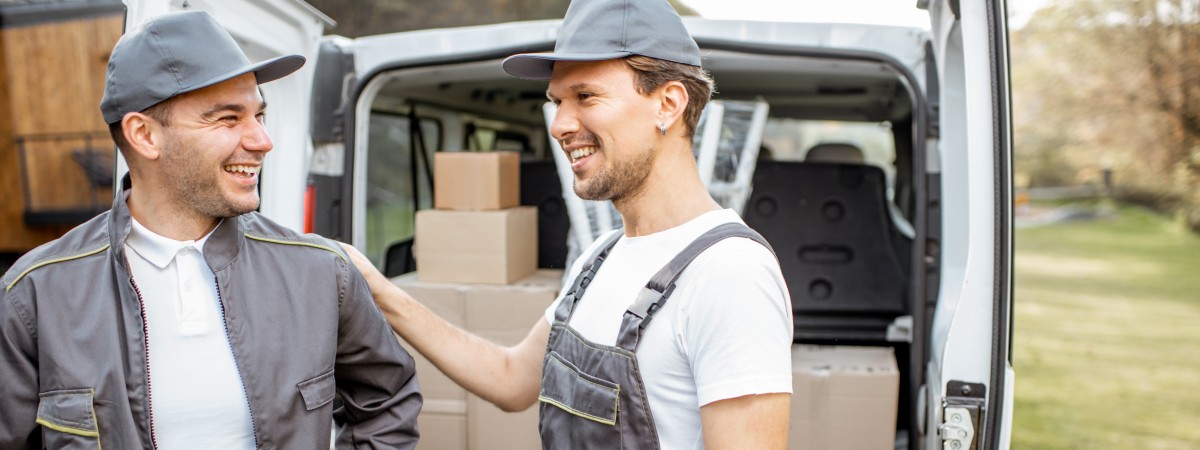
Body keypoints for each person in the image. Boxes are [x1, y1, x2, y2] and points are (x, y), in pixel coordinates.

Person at [342, 0, 793, 448]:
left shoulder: (730, 274)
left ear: (668, 103)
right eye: (556, 101)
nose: (559, 125)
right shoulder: (601, 256)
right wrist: (376, 287)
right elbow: (510, 379)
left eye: (586, 96)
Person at [0, 11, 421, 449]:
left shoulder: (320, 273)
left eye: (260, 115)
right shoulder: (35, 294)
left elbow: (388, 400)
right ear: (144, 135)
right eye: (227, 119)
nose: (261, 140)